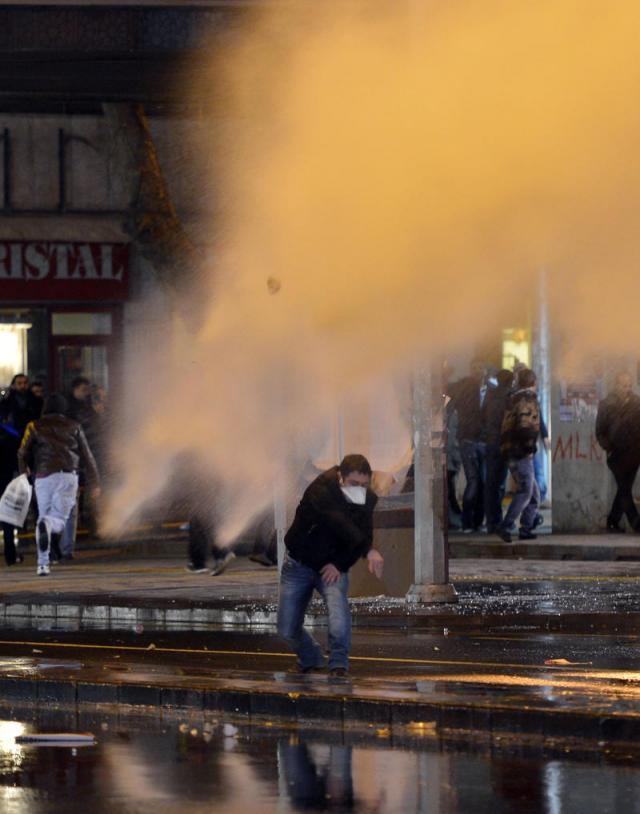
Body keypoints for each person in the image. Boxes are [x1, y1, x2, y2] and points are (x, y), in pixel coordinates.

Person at [277, 454, 384, 678]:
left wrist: (339, 564)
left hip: (332, 567)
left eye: (364, 485)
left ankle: (338, 664)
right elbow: (337, 520)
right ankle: (311, 658)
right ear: (340, 477)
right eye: (354, 484)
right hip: (299, 563)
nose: (360, 490)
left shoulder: (368, 499)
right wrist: (369, 550)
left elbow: (362, 535)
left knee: (338, 616)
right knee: (287, 628)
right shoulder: (320, 490)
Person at [18, 393, 99, 576]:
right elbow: (88, 456)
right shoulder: (74, 426)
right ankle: (49, 526)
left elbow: (22, 452)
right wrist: (95, 482)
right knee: (59, 520)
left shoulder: (34, 426)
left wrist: (25, 471)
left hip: (43, 476)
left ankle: (42, 564)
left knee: (42, 516)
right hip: (67, 476)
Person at [448, 359, 495, 533]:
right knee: (474, 481)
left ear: (485, 370)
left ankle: (478, 522)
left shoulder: (492, 389)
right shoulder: (465, 388)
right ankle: (468, 522)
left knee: (482, 482)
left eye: (480, 367)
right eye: (474, 368)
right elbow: (451, 404)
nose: (477, 371)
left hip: (483, 441)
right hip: (467, 440)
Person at [496, 369, 541, 542]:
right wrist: (529, 449)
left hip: (510, 450)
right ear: (533, 383)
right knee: (526, 490)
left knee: (534, 494)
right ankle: (506, 525)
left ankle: (526, 528)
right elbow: (526, 427)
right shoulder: (527, 400)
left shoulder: (513, 398)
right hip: (520, 452)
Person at [596, 372, 640, 532]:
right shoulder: (606, 404)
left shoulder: (637, 403)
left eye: (629, 385)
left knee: (624, 488)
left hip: (634, 453)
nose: (627, 389)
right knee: (624, 488)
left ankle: (612, 521)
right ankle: (636, 523)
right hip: (616, 455)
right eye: (624, 385)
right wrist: (609, 448)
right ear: (616, 385)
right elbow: (600, 431)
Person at [482, 369, 514, 533]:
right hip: (503, 444)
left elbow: (482, 417)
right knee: (499, 483)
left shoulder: (490, 395)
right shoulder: (509, 397)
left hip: (490, 442)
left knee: (491, 483)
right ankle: (498, 520)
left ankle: (491, 521)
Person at [0, 373, 41, 440]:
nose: (23, 386)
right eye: (19, 383)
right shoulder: (7, 401)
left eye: (25, 383)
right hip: (12, 435)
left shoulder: (36, 400)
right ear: (14, 385)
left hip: (31, 435)